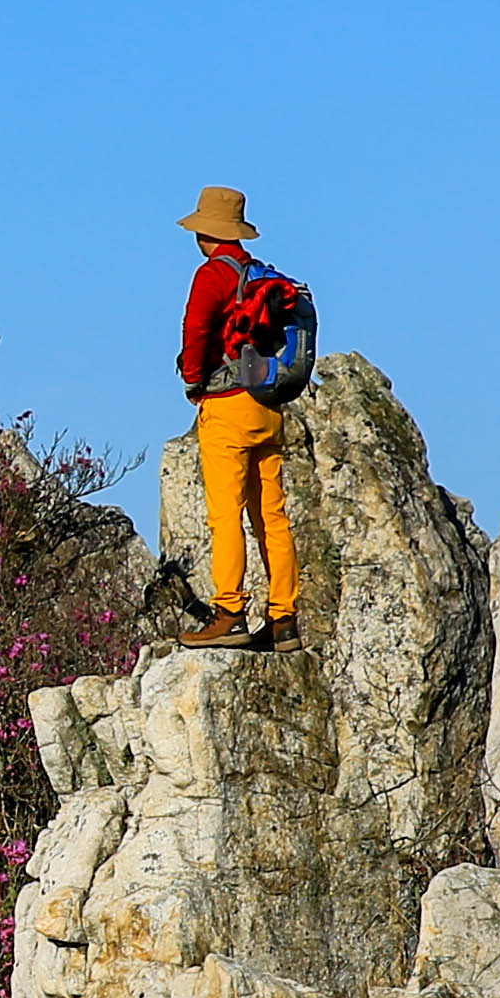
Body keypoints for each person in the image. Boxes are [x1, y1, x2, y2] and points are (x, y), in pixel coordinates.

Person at [173, 184, 303, 650]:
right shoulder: (260, 275)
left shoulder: (212, 276)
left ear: (203, 232)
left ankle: (229, 613)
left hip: (227, 407)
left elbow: (196, 329)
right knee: (272, 515)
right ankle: (284, 619)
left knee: (226, 514)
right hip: (268, 405)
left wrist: (193, 380)